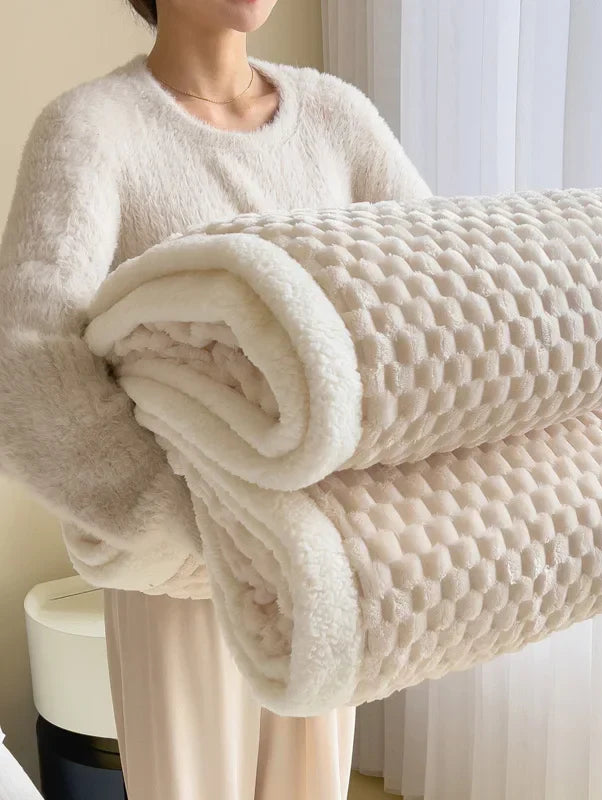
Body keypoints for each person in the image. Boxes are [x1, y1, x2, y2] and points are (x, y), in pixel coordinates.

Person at [0, 1, 431, 797]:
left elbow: (433, 302)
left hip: (323, 559)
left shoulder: (337, 118)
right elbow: (25, 363)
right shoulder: (93, 130)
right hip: (183, 579)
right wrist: (185, 529)